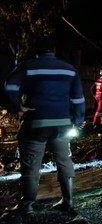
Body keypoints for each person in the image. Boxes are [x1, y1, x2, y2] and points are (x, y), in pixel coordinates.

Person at [2, 35, 85, 215]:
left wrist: (17, 106)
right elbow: (78, 98)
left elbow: (9, 87)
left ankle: (28, 205)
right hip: (62, 125)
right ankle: (68, 201)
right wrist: (78, 120)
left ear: (36, 51)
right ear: (54, 50)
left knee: (31, 164)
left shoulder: (27, 67)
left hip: (35, 123)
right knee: (64, 160)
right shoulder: (69, 70)